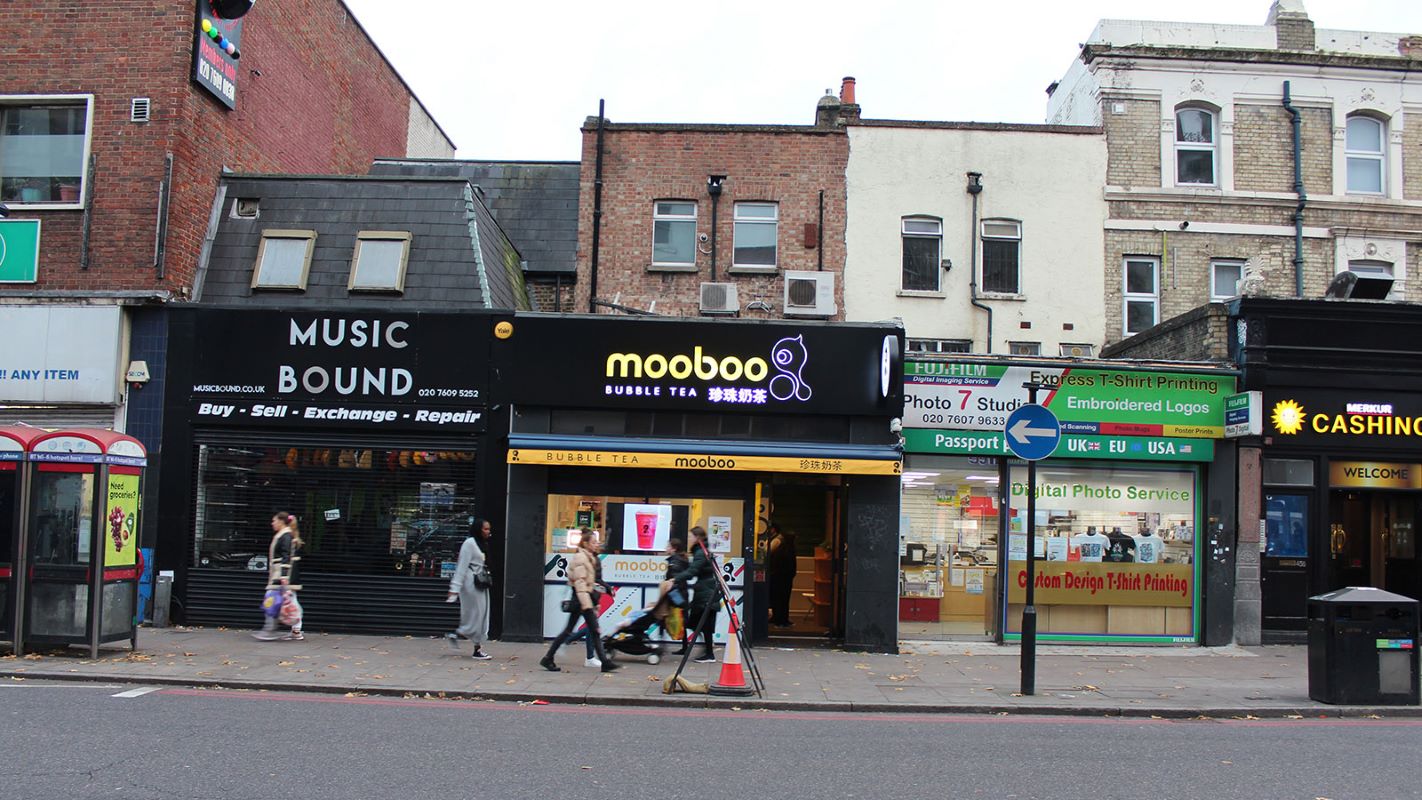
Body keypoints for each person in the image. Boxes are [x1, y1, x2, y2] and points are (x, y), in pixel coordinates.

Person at [541, 529, 618, 672]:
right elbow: (580, 584)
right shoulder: (581, 559)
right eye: (593, 542)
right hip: (582, 601)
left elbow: (593, 581)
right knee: (592, 630)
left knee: (575, 631)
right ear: (586, 543)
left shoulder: (589, 558)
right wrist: (588, 605)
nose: (596, 544)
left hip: (583, 600)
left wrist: (603, 592)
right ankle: (604, 662)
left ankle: (548, 658)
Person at [445, 517, 493, 660]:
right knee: (477, 614)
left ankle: (458, 634)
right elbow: (461, 566)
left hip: (481, 582)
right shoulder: (469, 543)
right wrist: (455, 588)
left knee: (480, 614)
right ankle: (476, 648)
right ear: (478, 529)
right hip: (471, 583)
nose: (488, 531)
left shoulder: (481, 543)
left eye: (489, 529)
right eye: (485, 529)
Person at [672, 525, 720, 663]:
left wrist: (675, 579)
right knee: (699, 623)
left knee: (701, 624)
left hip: (706, 593)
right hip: (705, 591)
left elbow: (693, 571)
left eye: (690, 536)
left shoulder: (700, 552)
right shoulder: (701, 550)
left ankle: (709, 653)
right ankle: (707, 649)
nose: (688, 538)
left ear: (697, 537)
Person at [254, 511, 303, 641]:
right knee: (290, 601)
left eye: (274, 520)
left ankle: (270, 629)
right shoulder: (284, 535)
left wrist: (284, 576)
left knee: (271, 599)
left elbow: (287, 556)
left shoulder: (285, 536)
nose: (272, 523)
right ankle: (294, 630)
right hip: (281, 574)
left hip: (280, 574)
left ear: (281, 521)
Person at [764, 523, 797, 627]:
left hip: (777, 575)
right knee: (783, 599)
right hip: (784, 576)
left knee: (777, 598)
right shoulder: (788, 547)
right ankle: (781, 619)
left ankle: (779, 618)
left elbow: (766, 551)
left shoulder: (777, 542)